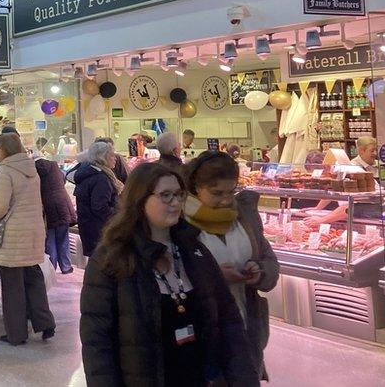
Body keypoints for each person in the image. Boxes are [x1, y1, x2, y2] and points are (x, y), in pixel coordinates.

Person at [80, 163, 259, 386]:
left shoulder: (195, 251)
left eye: (178, 195)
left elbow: (229, 323)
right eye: (166, 195)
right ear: (140, 199)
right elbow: (97, 342)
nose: (175, 203)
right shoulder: (112, 259)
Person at [184, 151, 279, 380]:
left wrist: (259, 271)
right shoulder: (180, 222)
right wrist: (215, 277)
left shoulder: (244, 217)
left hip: (245, 325)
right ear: (196, 187)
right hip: (203, 328)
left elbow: (269, 260)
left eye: (231, 191)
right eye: (216, 193)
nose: (226, 200)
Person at [0, 133, 55, 346]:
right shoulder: (31, 168)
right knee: (33, 279)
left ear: (5, 149)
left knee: (12, 285)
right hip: (33, 231)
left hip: (13, 235)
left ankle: (16, 333)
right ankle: (45, 323)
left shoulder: (5, 171)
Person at [73, 140, 121, 257]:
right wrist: (117, 218)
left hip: (88, 226)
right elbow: (100, 207)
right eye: (112, 155)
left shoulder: (88, 173)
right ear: (103, 157)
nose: (115, 158)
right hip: (100, 230)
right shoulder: (101, 178)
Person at [35, 153, 75, 274]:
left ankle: (52, 267)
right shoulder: (54, 167)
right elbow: (63, 180)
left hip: (47, 208)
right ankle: (66, 266)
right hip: (63, 205)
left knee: (50, 240)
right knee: (63, 238)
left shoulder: (34, 172)